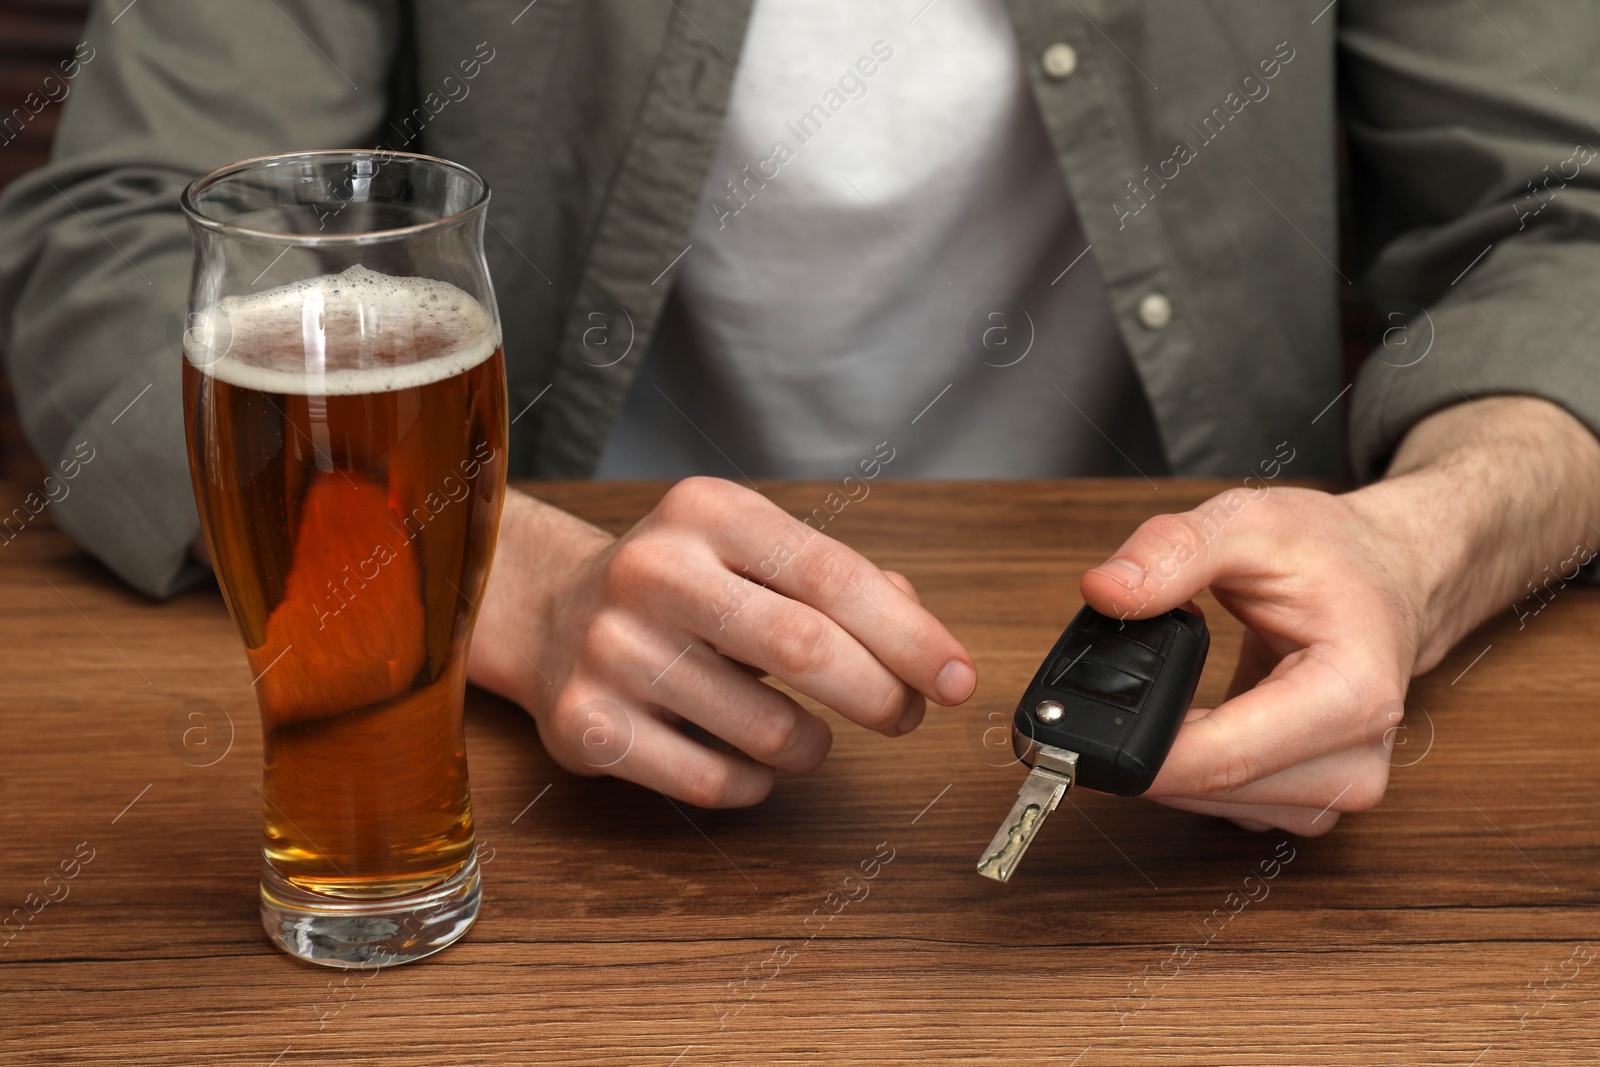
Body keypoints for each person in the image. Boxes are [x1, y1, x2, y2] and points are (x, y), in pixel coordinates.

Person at [2, 1, 1597, 836]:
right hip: (547, 737)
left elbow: (1571, 217)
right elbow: (121, 253)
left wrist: (1417, 550)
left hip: (1215, 715)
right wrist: (514, 582)